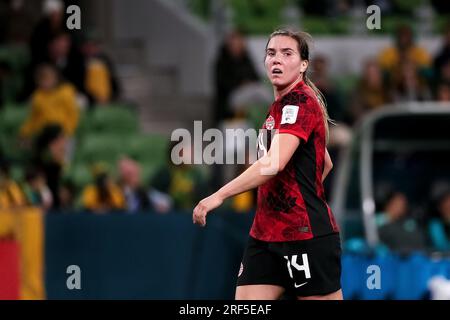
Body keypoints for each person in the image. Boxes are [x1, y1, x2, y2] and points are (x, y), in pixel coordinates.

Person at [193, 29, 341, 300]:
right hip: (265, 235)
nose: (277, 60)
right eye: (271, 53)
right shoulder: (279, 107)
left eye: (287, 54)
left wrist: (218, 195)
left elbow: (274, 163)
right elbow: (325, 161)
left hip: (304, 236)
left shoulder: (300, 102)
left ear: (303, 65)